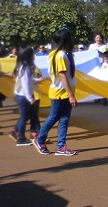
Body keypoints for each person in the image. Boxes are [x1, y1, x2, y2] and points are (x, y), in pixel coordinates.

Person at [33, 28, 78, 156]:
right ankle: (41, 139)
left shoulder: (55, 53)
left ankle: (61, 146)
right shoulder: (61, 55)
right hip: (60, 91)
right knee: (54, 117)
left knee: (63, 118)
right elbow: (62, 75)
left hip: (62, 91)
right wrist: (71, 95)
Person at [11, 46, 41, 146]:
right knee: (24, 117)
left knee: (25, 116)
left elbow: (28, 81)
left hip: (21, 95)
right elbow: (25, 85)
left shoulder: (22, 67)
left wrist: (36, 81)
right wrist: (30, 98)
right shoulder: (25, 68)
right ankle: (21, 138)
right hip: (23, 96)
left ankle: (17, 132)